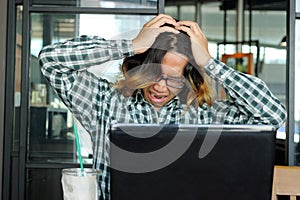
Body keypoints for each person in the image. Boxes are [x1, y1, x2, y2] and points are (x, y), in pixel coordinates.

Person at [38, 14, 286, 200]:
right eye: (154, 74)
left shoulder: (207, 115)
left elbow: (273, 116)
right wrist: (132, 45)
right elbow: (50, 61)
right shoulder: (103, 100)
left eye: (174, 79)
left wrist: (210, 63)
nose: (161, 87)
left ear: (188, 80)